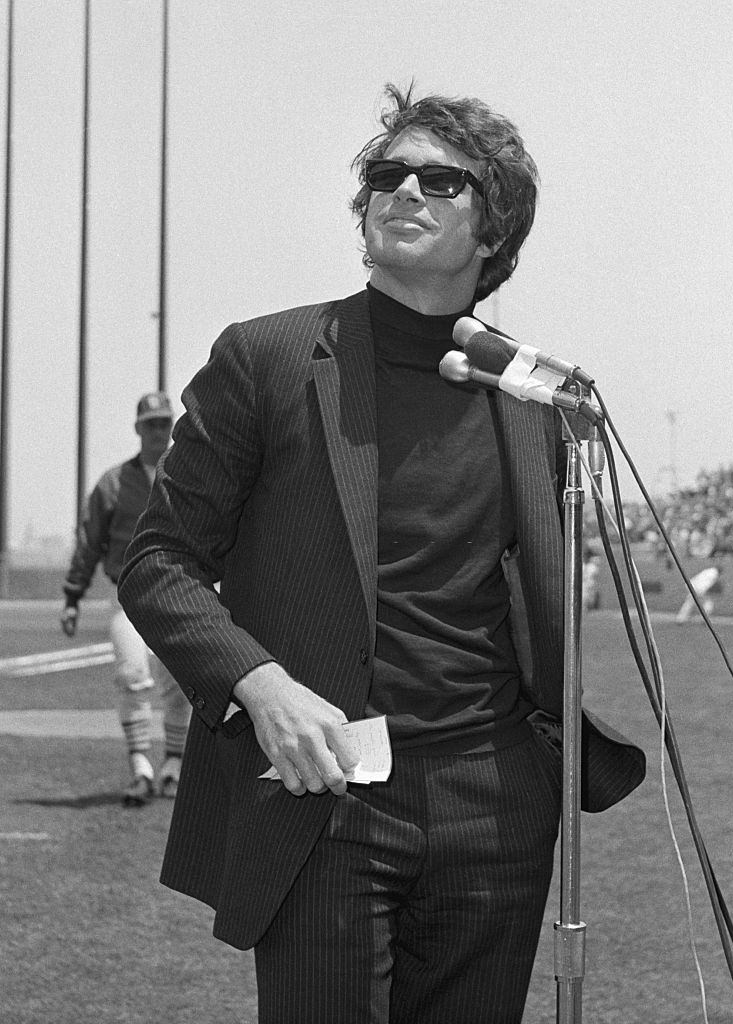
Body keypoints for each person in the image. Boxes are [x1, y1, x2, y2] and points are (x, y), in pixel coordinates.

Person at [118, 84, 645, 1023]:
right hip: (327, 794)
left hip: (497, 800)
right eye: (385, 175)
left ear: (495, 228)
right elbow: (158, 562)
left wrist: (536, 770)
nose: (404, 192)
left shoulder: (536, 395)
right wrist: (260, 685)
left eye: (440, 181)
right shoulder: (266, 357)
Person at [61, 392, 191, 806]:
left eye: (164, 422)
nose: (158, 430)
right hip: (128, 595)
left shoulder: (191, 474)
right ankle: (140, 768)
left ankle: (172, 764)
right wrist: (72, 596)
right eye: (150, 423)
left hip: (180, 593)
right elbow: (90, 541)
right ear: (138, 428)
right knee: (133, 674)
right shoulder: (114, 482)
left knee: (183, 684)